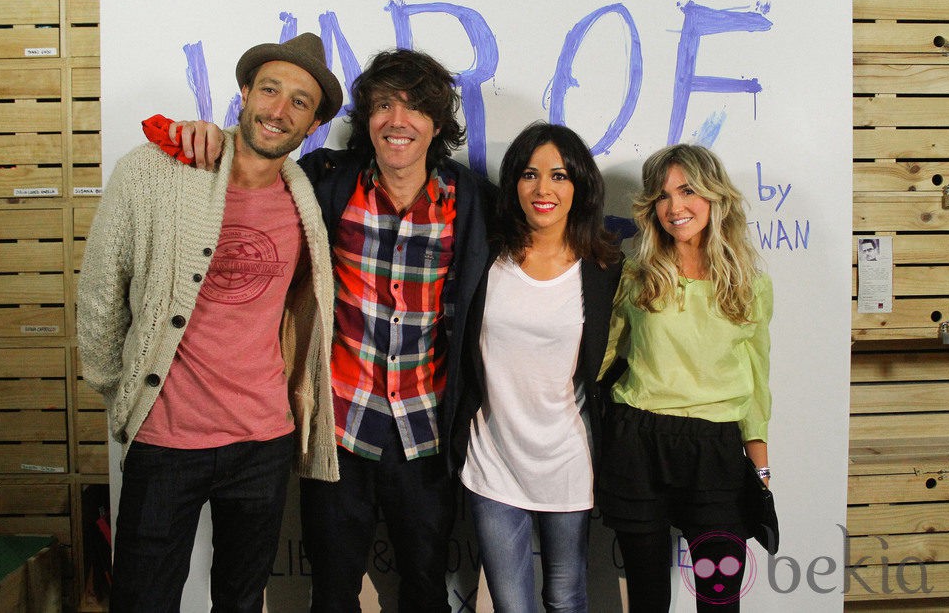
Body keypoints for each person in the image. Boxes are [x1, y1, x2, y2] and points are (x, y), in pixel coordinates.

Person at [159, 48, 496, 613]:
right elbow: (255, 157)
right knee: (334, 591)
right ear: (366, 118)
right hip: (339, 429)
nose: (396, 120)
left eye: (415, 108)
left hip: (427, 431)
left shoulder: (470, 201)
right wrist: (207, 137)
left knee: (425, 587)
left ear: (436, 125)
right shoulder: (324, 182)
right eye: (384, 105)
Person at [77, 32, 342, 611]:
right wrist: (118, 388)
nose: (279, 110)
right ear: (244, 92)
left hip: (264, 442)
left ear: (314, 124)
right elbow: (100, 290)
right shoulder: (156, 172)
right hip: (166, 437)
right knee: (143, 600)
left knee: (243, 602)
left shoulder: (305, 201)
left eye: (300, 102)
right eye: (270, 90)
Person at [449, 123, 622, 612]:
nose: (543, 189)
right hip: (492, 459)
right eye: (529, 174)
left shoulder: (604, 269)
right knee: (511, 605)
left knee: (566, 597)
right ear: (513, 185)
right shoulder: (486, 256)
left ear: (580, 187)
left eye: (559, 175)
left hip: (567, 459)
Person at [597, 143, 773, 612]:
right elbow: (605, 354)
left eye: (688, 190)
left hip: (715, 449)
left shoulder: (749, 283)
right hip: (637, 440)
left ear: (714, 196)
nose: (675, 207)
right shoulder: (636, 272)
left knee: (720, 601)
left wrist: (760, 462)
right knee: (648, 601)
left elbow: (757, 372)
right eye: (663, 194)